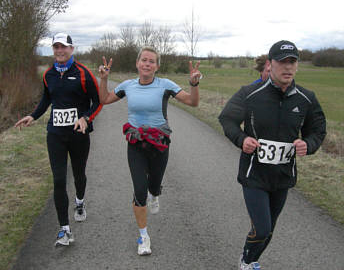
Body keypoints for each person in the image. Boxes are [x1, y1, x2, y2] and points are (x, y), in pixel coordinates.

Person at [218, 40, 326, 270]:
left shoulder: (306, 98)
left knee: (269, 229)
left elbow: (317, 130)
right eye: (282, 62)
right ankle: (247, 262)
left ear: (297, 65)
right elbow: (227, 119)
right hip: (254, 173)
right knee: (263, 227)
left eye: (293, 62)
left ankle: (251, 258)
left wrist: (308, 144)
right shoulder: (250, 94)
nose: (288, 67)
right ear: (270, 64)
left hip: (283, 176)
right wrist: (242, 139)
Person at [98, 46, 202, 256]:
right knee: (139, 190)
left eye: (151, 61)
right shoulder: (128, 86)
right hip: (136, 144)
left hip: (159, 144)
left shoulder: (165, 85)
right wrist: (104, 79)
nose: (147, 64)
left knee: (153, 186)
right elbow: (104, 100)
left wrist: (194, 84)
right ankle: (143, 236)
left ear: (157, 66)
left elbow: (193, 102)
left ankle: (155, 193)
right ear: (137, 63)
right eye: (143, 60)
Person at [15, 33, 102, 247]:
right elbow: (47, 98)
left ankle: (79, 202)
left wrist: (86, 118)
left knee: (79, 174)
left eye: (63, 47)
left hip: (78, 134)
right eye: (56, 47)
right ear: (53, 50)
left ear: (71, 49)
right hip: (55, 134)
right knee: (59, 180)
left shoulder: (83, 73)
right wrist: (33, 115)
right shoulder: (48, 74)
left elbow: (98, 102)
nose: (60, 51)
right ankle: (64, 230)